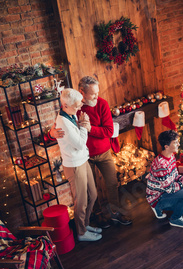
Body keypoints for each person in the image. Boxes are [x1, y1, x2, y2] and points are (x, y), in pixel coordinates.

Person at [50, 75, 132, 228]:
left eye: (97, 92)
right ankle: (97, 215)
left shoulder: (102, 104)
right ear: (82, 92)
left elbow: (108, 131)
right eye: (93, 93)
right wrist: (51, 133)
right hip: (84, 158)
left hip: (104, 152)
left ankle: (115, 213)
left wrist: (89, 129)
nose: (97, 96)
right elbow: (60, 122)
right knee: (90, 191)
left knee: (112, 183)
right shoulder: (74, 106)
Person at [56, 89, 101, 241]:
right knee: (81, 202)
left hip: (83, 160)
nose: (79, 108)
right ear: (65, 105)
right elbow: (80, 144)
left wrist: (82, 125)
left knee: (92, 195)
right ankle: (81, 233)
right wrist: (84, 126)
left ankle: (85, 224)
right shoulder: (63, 123)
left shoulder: (71, 113)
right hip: (74, 165)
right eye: (76, 106)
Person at [146, 130, 183, 228]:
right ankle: (174, 219)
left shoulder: (171, 156)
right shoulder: (160, 165)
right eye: (175, 142)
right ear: (166, 146)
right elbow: (170, 189)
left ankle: (168, 208)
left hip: (166, 192)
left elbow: (175, 177)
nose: (179, 144)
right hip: (158, 197)